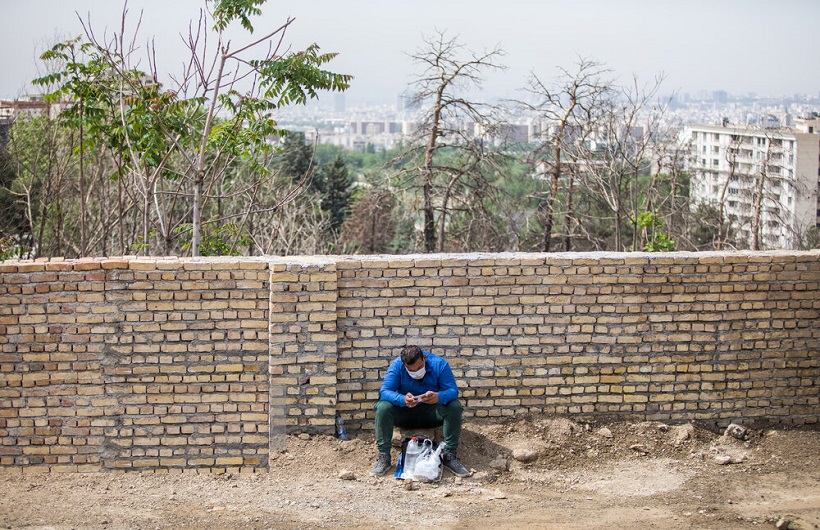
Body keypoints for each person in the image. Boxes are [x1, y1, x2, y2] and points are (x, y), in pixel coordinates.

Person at [369, 345, 470, 477]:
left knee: (454, 406)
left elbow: (453, 391)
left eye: (419, 368)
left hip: (432, 414)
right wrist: (402, 399)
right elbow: (384, 392)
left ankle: (449, 455)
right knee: (383, 407)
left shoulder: (439, 364)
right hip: (404, 413)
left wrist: (438, 397)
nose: (416, 372)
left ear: (424, 358)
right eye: (411, 370)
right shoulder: (397, 365)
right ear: (404, 365)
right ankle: (384, 457)